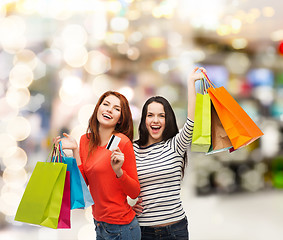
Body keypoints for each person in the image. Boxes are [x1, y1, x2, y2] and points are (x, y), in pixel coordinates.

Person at [54, 91, 141, 240]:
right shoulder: (85, 140)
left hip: (123, 228)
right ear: (98, 108)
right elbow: (83, 184)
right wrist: (75, 150)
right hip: (99, 225)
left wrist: (118, 171)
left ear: (120, 119)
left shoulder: (121, 142)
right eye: (106, 104)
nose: (108, 109)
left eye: (116, 108)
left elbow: (134, 192)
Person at [132, 67, 207, 240]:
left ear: (168, 120)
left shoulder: (176, 145)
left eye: (161, 115)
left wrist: (191, 83)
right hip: (144, 231)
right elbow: (119, 182)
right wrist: (127, 205)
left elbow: (192, 120)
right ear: (144, 120)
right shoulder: (133, 149)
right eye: (150, 115)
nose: (155, 120)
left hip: (176, 230)